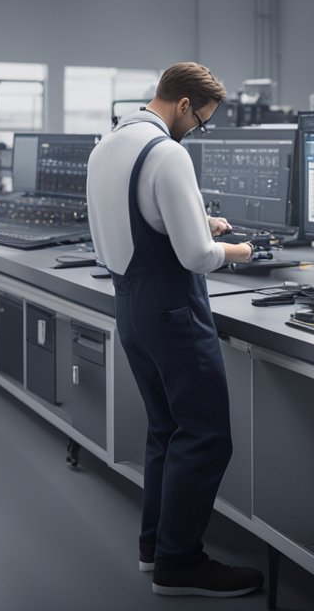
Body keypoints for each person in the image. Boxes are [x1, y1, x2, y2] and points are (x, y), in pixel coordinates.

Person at [86, 62, 264, 598]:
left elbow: (129, 215)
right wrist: (238, 250)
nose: (198, 131)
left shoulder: (110, 142)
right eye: (201, 122)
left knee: (167, 429)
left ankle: (154, 547)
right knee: (207, 436)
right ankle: (181, 562)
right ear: (184, 104)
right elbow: (196, 257)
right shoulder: (168, 152)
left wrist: (194, 218)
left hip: (131, 304)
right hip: (173, 311)